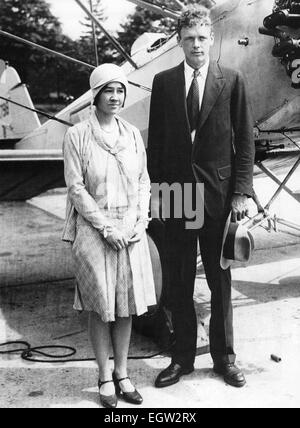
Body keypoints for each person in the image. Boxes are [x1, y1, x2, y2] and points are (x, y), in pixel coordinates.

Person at [147, 5, 255, 388]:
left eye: (202, 38)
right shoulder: (163, 82)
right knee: (177, 280)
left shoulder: (233, 80)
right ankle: (182, 358)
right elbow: (155, 145)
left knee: (219, 280)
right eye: (189, 38)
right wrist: (157, 194)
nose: (196, 44)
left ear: (212, 39)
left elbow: (244, 140)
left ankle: (225, 358)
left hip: (219, 196)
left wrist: (242, 191)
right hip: (177, 195)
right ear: (179, 41)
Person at [62, 63, 156, 408]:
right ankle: (103, 375)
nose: (115, 97)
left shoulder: (132, 134)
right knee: (101, 306)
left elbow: (144, 181)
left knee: (127, 306)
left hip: (129, 230)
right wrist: (106, 227)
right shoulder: (77, 135)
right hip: (94, 229)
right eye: (108, 90)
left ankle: (123, 371)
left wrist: (138, 222)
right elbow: (75, 188)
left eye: (120, 91)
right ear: (95, 95)